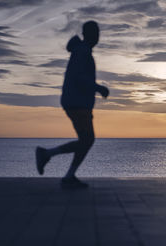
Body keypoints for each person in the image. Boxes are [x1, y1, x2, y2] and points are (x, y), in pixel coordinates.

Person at [36, 20, 109, 189]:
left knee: (86, 140)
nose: (97, 36)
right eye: (94, 32)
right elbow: (79, 78)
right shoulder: (82, 52)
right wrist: (99, 87)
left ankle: (67, 174)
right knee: (87, 139)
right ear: (86, 34)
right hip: (76, 102)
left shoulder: (82, 51)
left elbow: (81, 77)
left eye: (98, 32)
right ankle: (47, 155)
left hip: (78, 102)